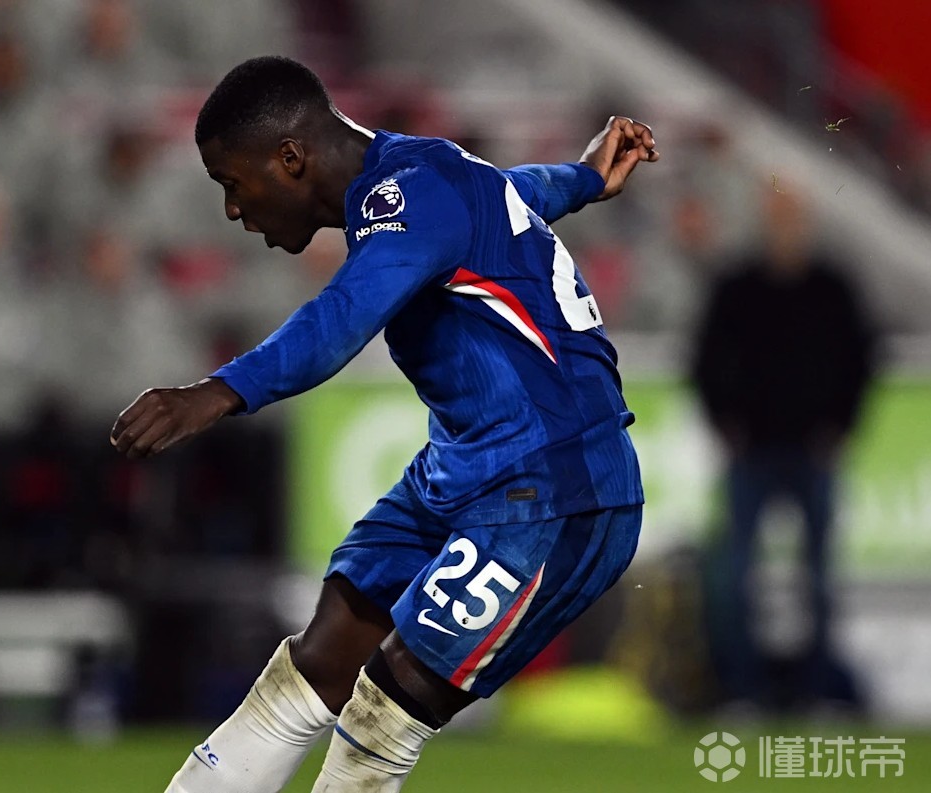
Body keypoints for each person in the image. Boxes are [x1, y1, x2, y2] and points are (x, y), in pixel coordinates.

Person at [110, 56, 658, 792]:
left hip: (557, 487)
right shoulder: (426, 178)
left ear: (290, 158)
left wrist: (219, 390)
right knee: (320, 657)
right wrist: (584, 178)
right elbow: (518, 190)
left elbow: (342, 318)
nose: (233, 210)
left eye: (232, 184)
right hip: (466, 468)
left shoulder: (410, 195)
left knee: (387, 704)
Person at [692, 187, 876, 712]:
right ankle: (744, 689)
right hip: (752, 452)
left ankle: (815, 690)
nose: (785, 231)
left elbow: (861, 361)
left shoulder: (832, 288)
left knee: (817, 578)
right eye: (777, 219)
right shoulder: (737, 288)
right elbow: (705, 360)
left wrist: (842, 427)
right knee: (735, 575)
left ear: (806, 225)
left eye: (792, 219)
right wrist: (724, 423)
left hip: (812, 452)